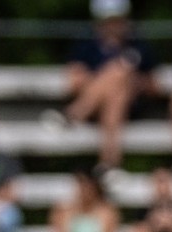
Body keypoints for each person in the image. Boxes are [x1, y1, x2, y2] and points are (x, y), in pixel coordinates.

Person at [60, 0, 154, 174]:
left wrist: (128, 80)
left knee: (117, 78)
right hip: (100, 107)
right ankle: (110, 164)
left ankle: (74, 113)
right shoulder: (86, 44)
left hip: (130, 107)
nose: (113, 25)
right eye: (109, 20)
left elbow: (153, 84)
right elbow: (74, 80)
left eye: (117, 20)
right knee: (115, 89)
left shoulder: (138, 45)